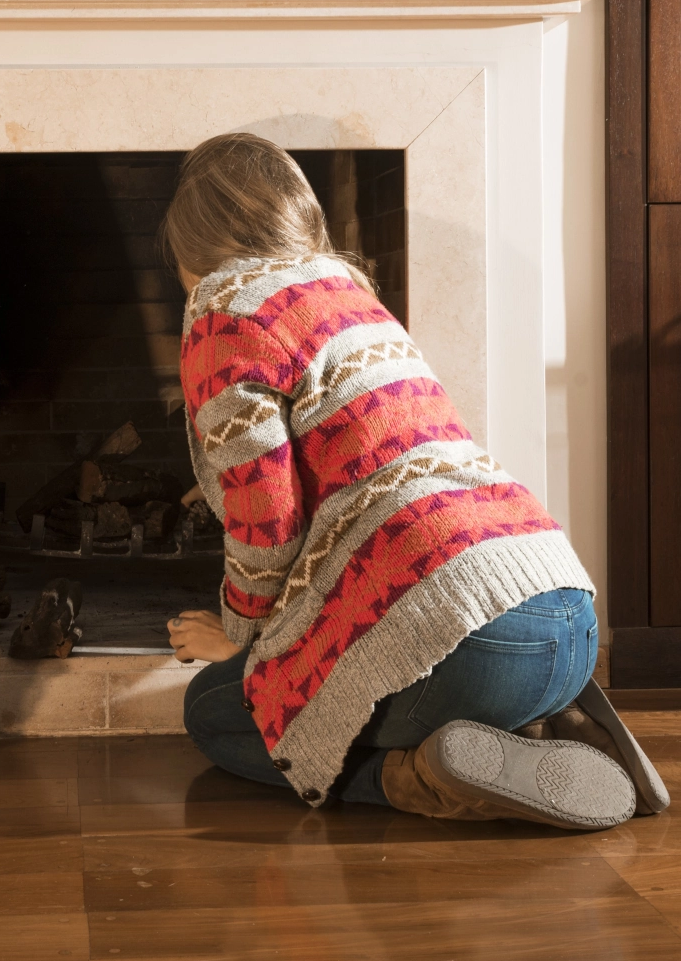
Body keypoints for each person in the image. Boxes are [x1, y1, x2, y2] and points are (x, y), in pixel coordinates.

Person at [162, 132, 668, 830]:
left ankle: (425, 776)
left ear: (189, 243)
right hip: (568, 618)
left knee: (215, 715)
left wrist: (239, 638)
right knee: (304, 692)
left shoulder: (226, 309)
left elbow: (267, 519)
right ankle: (556, 722)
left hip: (471, 649)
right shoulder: (353, 297)